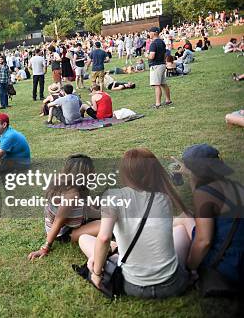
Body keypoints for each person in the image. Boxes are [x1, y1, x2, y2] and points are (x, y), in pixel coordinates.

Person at [77, 148, 190, 299]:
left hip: (133, 286)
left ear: (124, 172)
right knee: (181, 230)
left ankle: (108, 254)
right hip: (172, 285)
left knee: (84, 238)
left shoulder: (113, 197)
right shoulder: (165, 198)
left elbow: (103, 238)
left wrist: (97, 273)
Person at [171, 144, 244, 290]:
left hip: (228, 264)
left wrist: (190, 267)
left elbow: (204, 241)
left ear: (195, 171)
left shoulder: (204, 194)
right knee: (186, 216)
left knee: (182, 221)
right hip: (239, 254)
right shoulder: (235, 186)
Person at [28, 155, 101, 260]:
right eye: (92, 171)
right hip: (65, 232)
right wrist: (45, 248)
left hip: (72, 220)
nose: (94, 173)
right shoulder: (72, 194)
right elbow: (58, 221)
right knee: (106, 225)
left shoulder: (62, 182)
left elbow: (85, 207)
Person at [148, 26, 172, 109]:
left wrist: (146, 55)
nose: (149, 34)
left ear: (154, 33)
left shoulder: (153, 43)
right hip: (162, 64)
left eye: (150, 32)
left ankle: (157, 103)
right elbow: (166, 53)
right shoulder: (162, 42)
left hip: (156, 66)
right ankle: (168, 100)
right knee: (164, 84)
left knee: (157, 85)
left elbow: (151, 56)